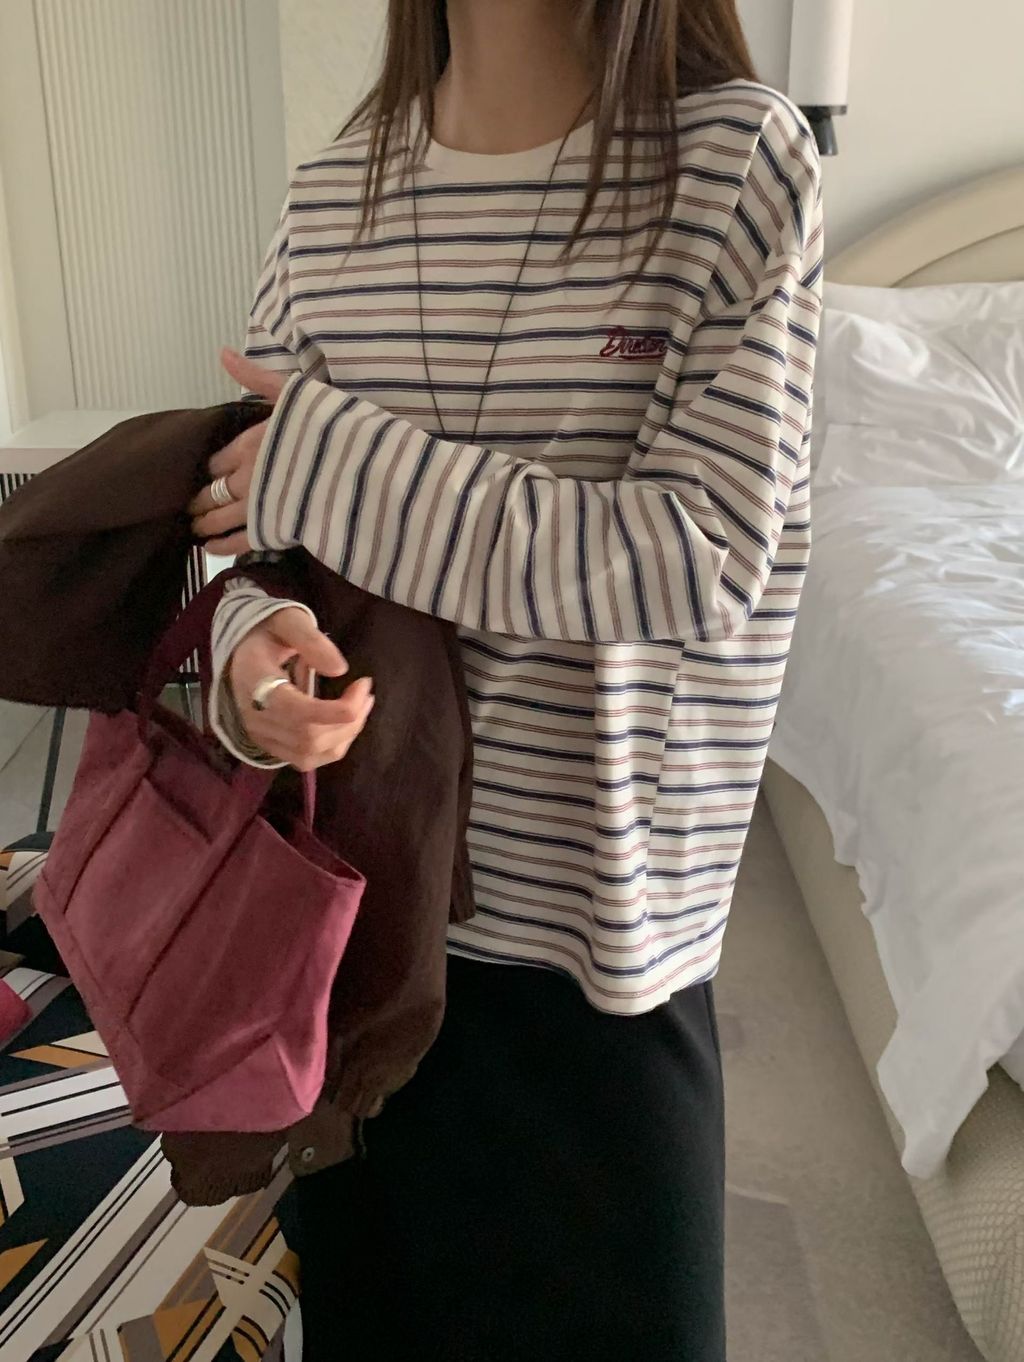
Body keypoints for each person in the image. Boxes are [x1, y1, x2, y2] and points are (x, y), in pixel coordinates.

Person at [189, 1, 823, 1357]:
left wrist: (336, 468)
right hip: (351, 941)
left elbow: (700, 559)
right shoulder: (329, 199)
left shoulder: (732, 163)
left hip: (596, 977)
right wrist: (249, 648)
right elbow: (245, 538)